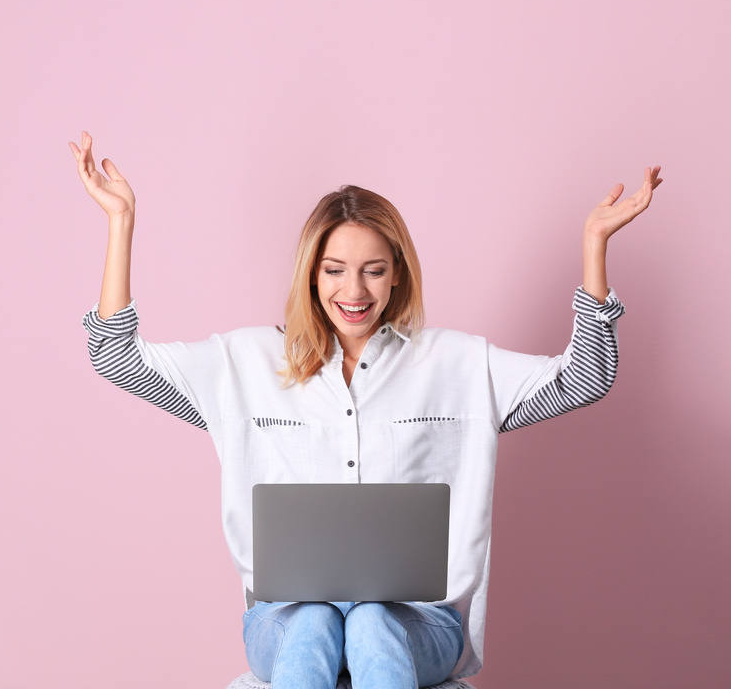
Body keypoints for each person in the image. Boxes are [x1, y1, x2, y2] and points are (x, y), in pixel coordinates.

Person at [70, 130, 661, 689]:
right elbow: (116, 356)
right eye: (335, 271)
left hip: (419, 623)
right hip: (284, 619)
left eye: (374, 270)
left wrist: (594, 247)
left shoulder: (455, 363)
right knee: (312, 623)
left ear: (398, 273)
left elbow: (584, 376)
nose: (354, 292)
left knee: (373, 622)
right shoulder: (243, 362)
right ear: (311, 273)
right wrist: (121, 221)